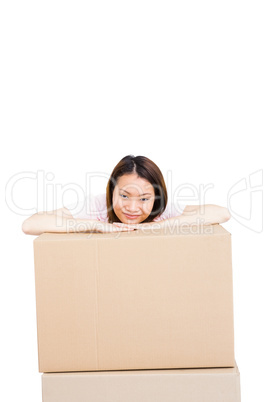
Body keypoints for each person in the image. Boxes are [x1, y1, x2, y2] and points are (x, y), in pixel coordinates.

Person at [21, 154, 231, 236]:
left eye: (144, 199)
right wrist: (97, 225)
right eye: (124, 196)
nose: (132, 208)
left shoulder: (163, 210)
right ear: (111, 192)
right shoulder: (98, 206)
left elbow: (221, 214)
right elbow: (30, 225)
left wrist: (155, 225)